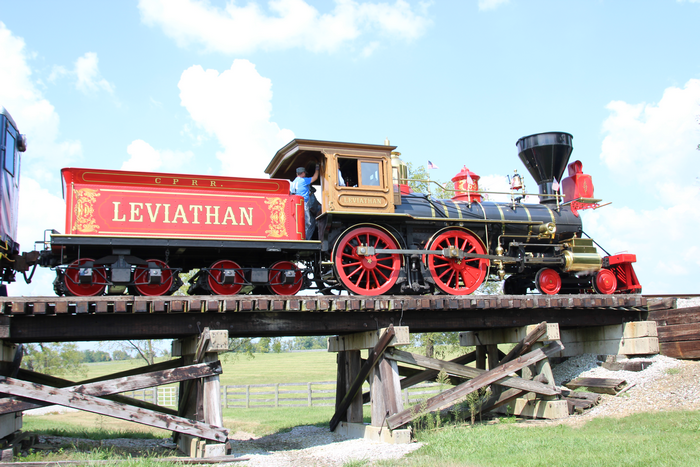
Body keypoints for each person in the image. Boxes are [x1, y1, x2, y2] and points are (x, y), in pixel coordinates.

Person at [291, 164, 320, 239]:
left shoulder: (293, 182)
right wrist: (317, 168)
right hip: (303, 203)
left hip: (296, 204)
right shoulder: (303, 180)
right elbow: (315, 177)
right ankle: (305, 239)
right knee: (308, 222)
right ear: (303, 173)